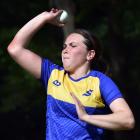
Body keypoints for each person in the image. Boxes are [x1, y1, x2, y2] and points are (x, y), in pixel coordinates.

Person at [7, 8, 135, 140]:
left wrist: (86, 117)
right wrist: (44, 17)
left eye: (73, 46)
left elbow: (127, 120)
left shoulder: (100, 81)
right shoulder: (53, 75)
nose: (65, 50)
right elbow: (15, 48)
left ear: (90, 54)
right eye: (64, 46)